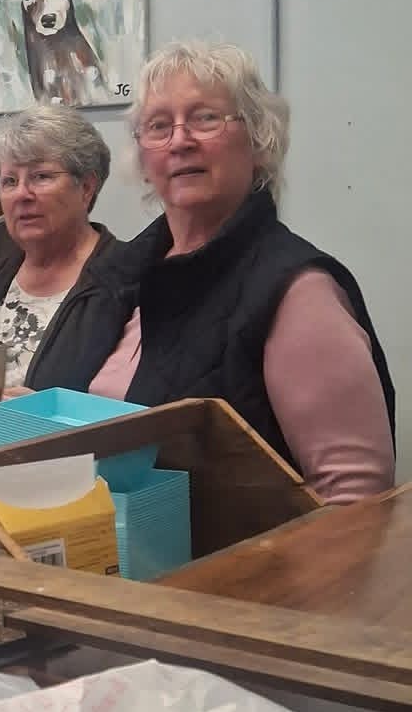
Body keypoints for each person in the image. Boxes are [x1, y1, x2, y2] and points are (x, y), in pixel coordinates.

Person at [86, 40, 394, 501]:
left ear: (258, 140)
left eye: (205, 118)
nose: (180, 140)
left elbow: (356, 500)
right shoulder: (123, 274)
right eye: (159, 125)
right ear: (144, 158)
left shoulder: (297, 291)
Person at [0, 105, 124, 442]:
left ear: (86, 187)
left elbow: (135, 426)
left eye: (41, 176)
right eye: (9, 181)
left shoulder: (124, 283)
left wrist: (32, 423)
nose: (22, 194)